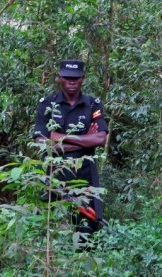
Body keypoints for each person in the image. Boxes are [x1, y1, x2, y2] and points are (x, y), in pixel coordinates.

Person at [32, 59, 109, 237]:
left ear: (83, 78)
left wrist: (60, 138)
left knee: (88, 225)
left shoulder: (92, 104)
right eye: (67, 78)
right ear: (60, 78)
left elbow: (100, 139)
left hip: (86, 174)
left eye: (76, 78)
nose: (71, 82)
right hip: (55, 174)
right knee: (53, 226)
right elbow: (42, 142)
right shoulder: (48, 104)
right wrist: (85, 139)